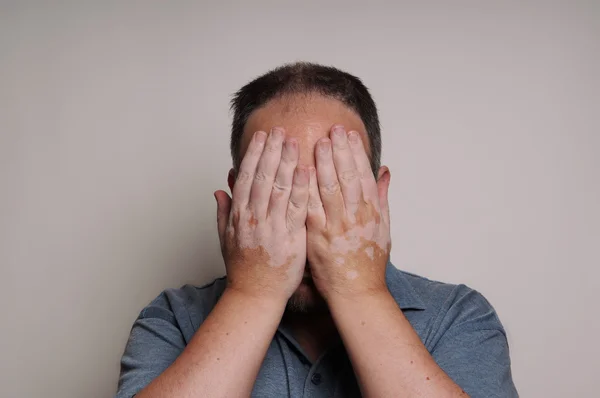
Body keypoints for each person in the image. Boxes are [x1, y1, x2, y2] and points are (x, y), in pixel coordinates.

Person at [116, 62, 518, 398]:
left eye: (335, 191)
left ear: (377, 196)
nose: (303, 222)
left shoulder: (457, 316)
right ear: (239, 197)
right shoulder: (173, 318)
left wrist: (358, 290)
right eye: (276, 188)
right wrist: (254, 291)